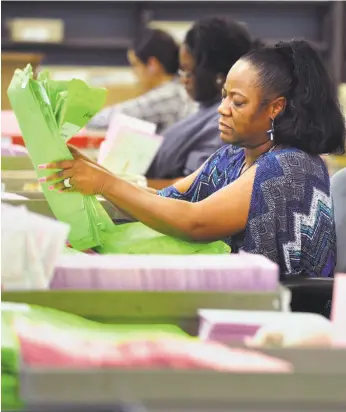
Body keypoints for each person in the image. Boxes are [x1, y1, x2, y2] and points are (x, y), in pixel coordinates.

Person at [41, 39, 345, 279]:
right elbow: (168, 200)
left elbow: (195, 222)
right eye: (224, 95)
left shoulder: (290, 167)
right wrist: (91, 171)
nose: (222, 108)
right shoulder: (233, 156)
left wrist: (105, 184)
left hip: (283, 315)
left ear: (275, 108)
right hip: (237, 295)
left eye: (237, 102)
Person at [145, 17, 253, 182]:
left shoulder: (223, 122)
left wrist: (128, 187)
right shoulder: (205, 108)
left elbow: (195, 189)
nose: (184, 79)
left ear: (218, 76)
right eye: (181, 71)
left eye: (188, 71)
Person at [87, 28, 196, 134]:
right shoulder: (183, 88)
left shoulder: (168, 95)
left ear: (152, 65)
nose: (133, 72)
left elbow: (102, 120)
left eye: (135, 65)